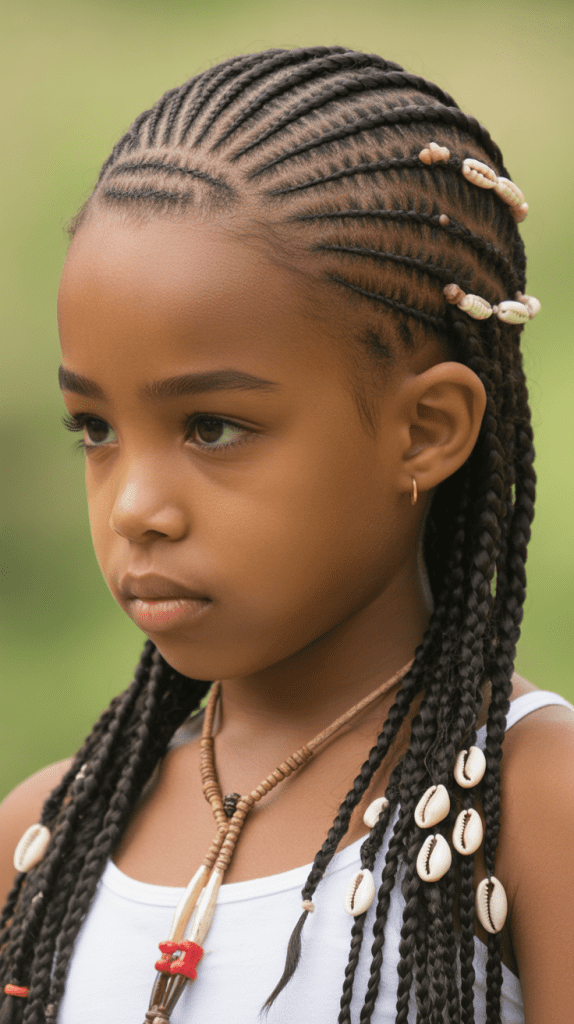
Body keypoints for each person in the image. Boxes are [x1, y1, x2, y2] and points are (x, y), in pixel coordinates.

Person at [0, 45, 572, 1024]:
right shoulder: (45, 831)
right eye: (95, 428)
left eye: (212, 427)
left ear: (425, 429)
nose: (136, 504)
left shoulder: (533, 806)